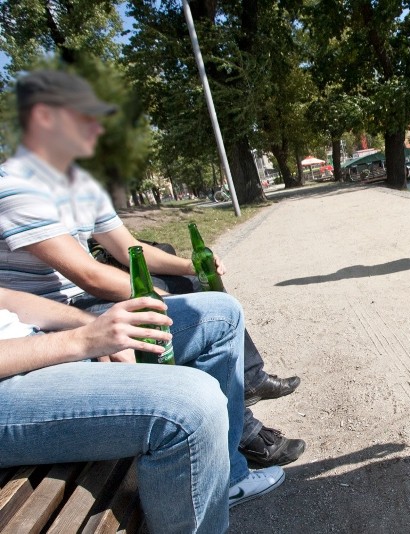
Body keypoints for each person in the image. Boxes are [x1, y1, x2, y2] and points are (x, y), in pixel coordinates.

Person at [0, 69, 305, 468]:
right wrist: (156, 296)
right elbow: (87, 275)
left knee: (194, 286)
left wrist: (195, 264)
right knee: (187, 307)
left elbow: (131, 249)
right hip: (51, 315)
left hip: (81, 302)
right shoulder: (18, 188)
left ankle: (245, 386)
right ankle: (240, 433)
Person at [0, 288, 285, 532]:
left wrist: (92, 326)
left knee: (220, 313)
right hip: (12, 378)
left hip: (31, 341)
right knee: (189, 405)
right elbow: (90, 274)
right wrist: (82, 341)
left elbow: (5, 297)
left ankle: (228, 479)